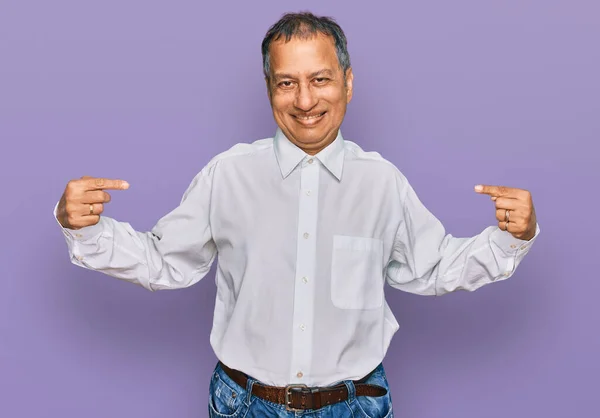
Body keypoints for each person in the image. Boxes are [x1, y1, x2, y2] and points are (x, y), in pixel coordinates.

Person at [54, 11, 540, 418]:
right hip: (244, 404)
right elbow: (167, 261)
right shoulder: (228, 175)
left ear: (347, 83)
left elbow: (432, 267)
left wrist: (511, 239)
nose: (305, 101)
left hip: (356, 405)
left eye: (320, 80)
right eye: (288, 83)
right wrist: (88, 231)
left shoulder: (381, 182)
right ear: (270, 88)